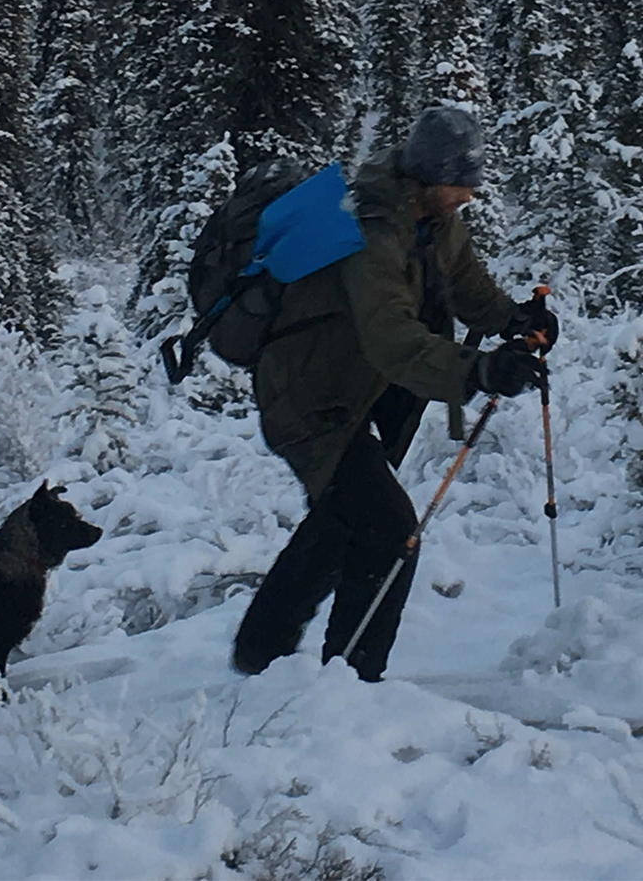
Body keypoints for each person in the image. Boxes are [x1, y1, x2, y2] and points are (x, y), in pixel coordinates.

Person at [231, 105, 553, 679]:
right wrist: (477, 372)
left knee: (340, 523)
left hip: (361, 394)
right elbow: (392, 340)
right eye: (462, 185)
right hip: (310, 398)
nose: (469, 197)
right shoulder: (373, 233)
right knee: (388, 532)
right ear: (430, 178)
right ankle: (351, 685)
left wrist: (516, 319)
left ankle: (260, 656)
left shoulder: (432, 221)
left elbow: (466, 286)